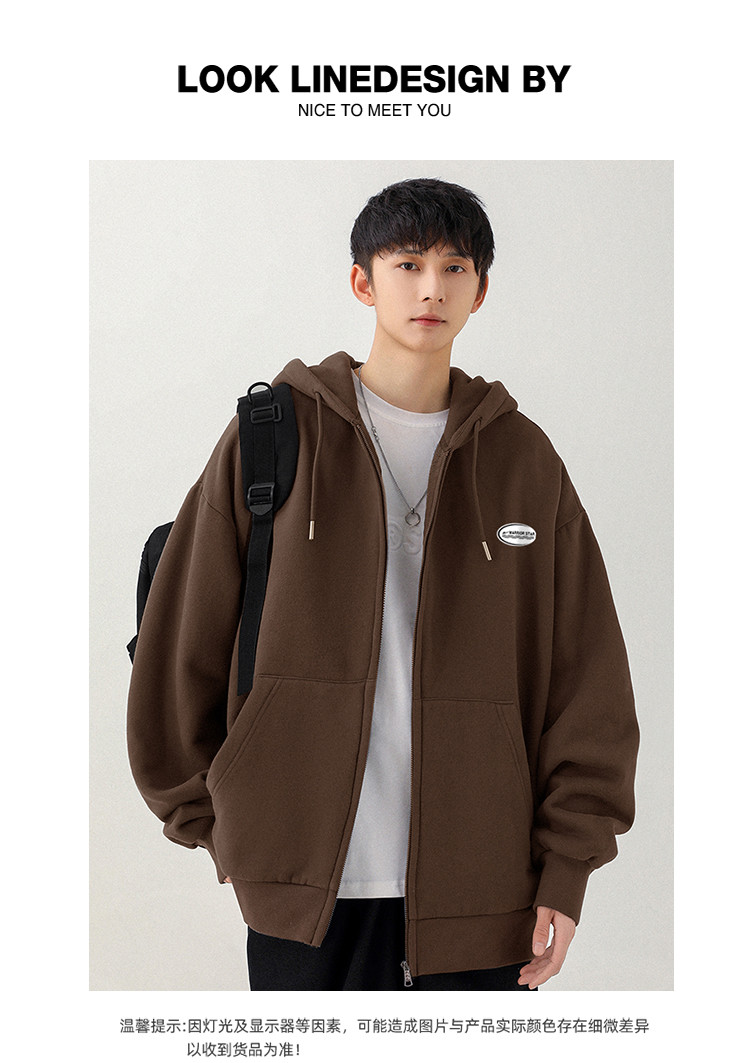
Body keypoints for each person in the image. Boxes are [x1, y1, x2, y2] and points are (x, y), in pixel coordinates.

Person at [127, 177, 639, 991]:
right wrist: (228, 826)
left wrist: (567, 865)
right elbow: (180, 640)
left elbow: (588, 680)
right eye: (407, 264)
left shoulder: (524, 460)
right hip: (300, 890)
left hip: (483, 889)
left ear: (480, 290)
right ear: (363, 282)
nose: (432, 287)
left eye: (454, 267)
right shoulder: (274, 433)